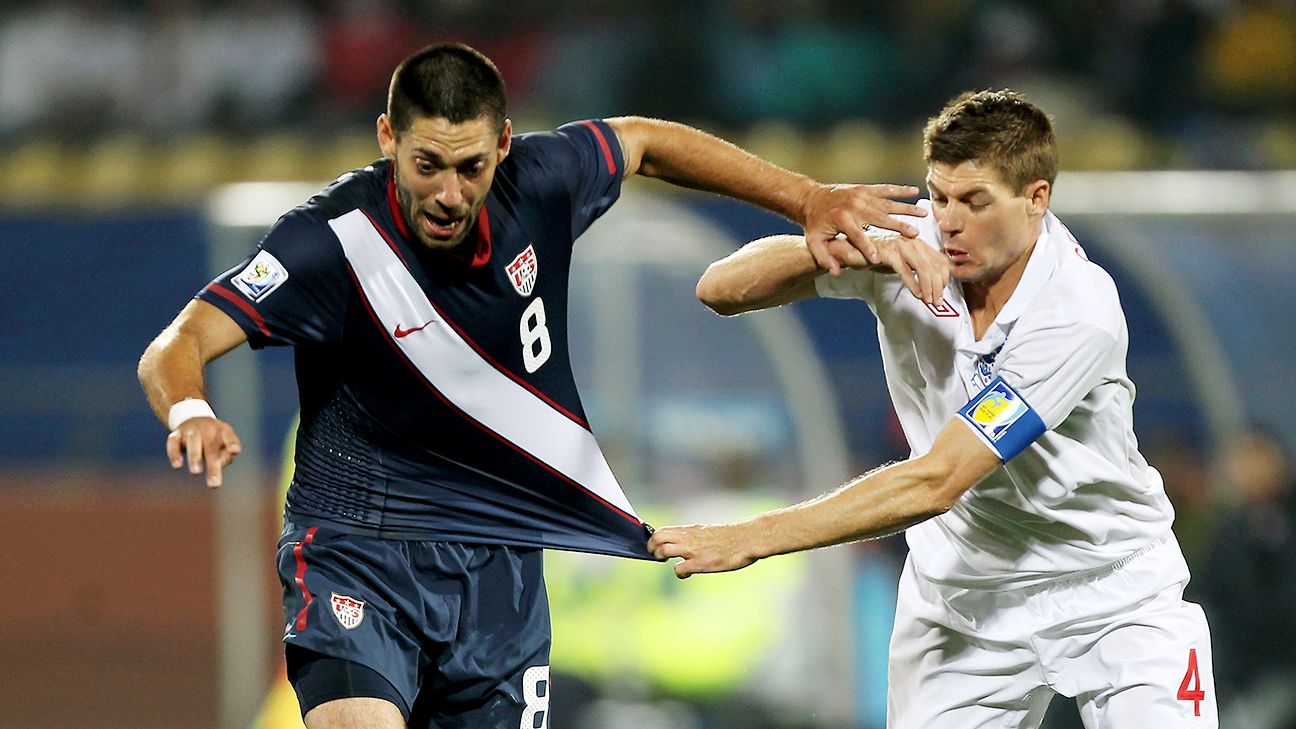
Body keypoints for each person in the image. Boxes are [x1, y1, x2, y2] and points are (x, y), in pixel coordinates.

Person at [137, 42, 929, 729]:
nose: (449, 192)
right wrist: (192, 406)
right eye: (427, 165)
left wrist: (808, 198)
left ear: (505, 146)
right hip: (361, 551)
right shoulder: (329, 243)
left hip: (501, 564)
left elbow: (646, 140)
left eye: (471, 166)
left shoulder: (541, 183)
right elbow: (179, 343)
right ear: (388, 138)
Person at [648, 89, 1219, 728]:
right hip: (965, 596)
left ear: (1036, 199)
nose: (948, 222)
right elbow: (719, 289)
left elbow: (938, 478)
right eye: (939, 196)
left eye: (974, 202)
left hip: (1110, 588)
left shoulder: (1076, 313)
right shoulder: (912, 242)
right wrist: (855, 250)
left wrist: (749, 538)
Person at [1194, 425, 1296, 729]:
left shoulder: (1283, 524)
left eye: (1256, 457)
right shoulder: (1229, 533)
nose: (1245, 469)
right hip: (1239, 677)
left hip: (1280, 670)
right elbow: (1211, 602)